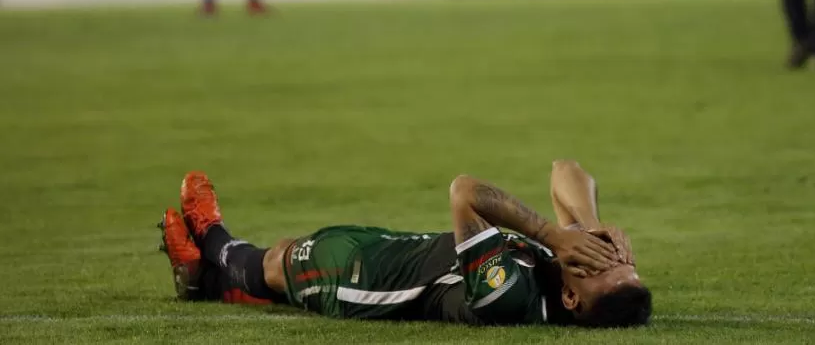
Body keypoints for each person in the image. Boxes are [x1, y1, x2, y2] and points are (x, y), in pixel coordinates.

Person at [158, 162, 651, 327]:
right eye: (617, 256)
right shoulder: (576, 263)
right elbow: (565, 167)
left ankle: (215, 240)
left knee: (280, 263)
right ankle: (200, 281)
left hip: (370, 281)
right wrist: (589, 225)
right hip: (406, 251)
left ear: (570, 298)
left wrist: (550, 234)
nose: (599, 255)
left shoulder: (512, 296)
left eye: (599, 264)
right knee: (289, 260)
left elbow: (465, 194)